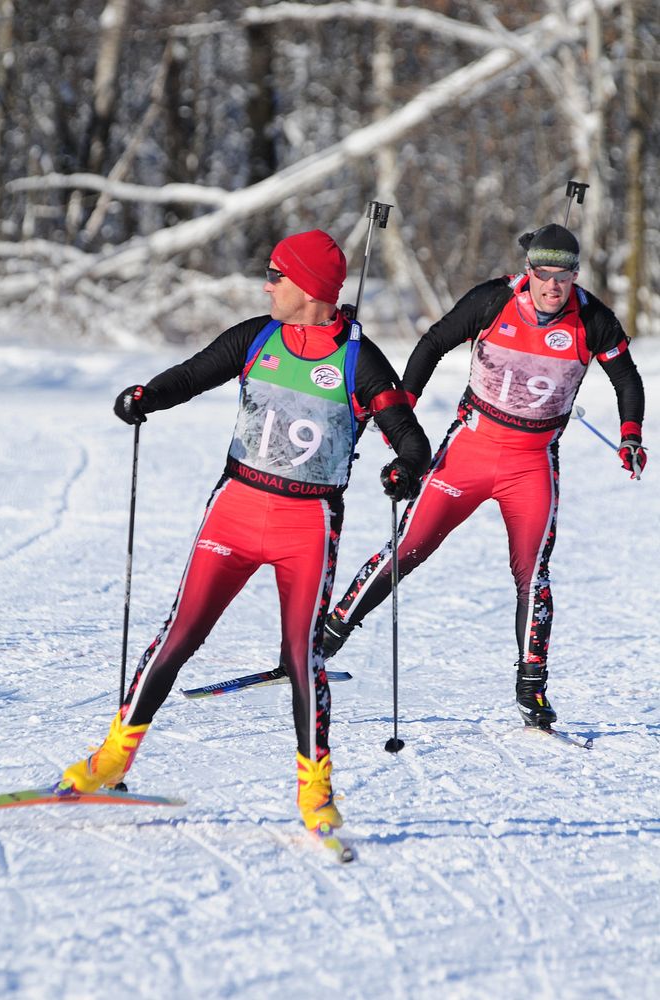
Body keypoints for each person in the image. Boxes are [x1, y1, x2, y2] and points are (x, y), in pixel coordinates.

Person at [58, 229, 431, 830]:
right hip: (233, 510)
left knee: (300, 656)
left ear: (308, 288)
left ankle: (316, 793)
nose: (267, 285)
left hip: (306, 525)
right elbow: (191, 374)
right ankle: (111, 759)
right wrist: (145, 397)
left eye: (277, 277)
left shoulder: (359, 360)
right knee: (177, 638)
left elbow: (411, 439)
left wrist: (404, 470)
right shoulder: (257, 336)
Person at [320, 223, 646, 728]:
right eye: (544, 274)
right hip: (470, 449)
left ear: (575, 275)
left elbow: (625, 376)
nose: (553, 286)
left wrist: (630, 434)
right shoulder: (493, 301)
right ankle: (331, 633)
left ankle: (532, 688)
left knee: (532, 575)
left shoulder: (594, 319)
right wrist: (404, 403)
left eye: (564, 276)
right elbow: (433, 342)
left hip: (532, 463)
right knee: (408, 546)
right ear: (529, 272)